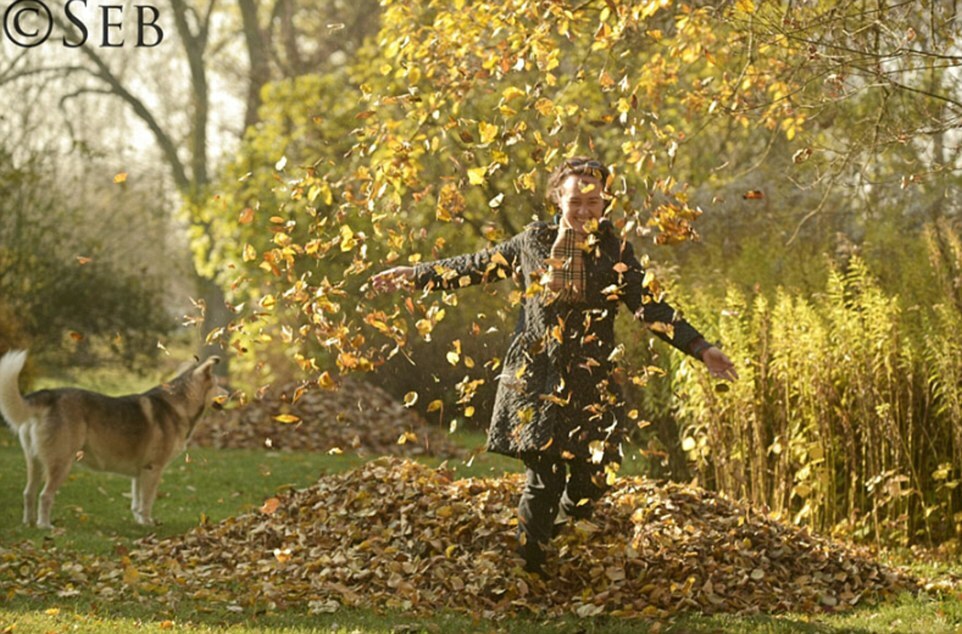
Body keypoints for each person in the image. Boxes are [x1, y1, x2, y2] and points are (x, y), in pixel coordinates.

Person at [370, 157, 738, 576]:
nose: (584, 211)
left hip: (590, 380)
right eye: (574, 201)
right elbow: (475, 266)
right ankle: (530, 570)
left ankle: (556, 529)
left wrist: (700, 347)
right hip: (536, 377)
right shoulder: (533, 241)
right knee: (544, 478)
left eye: (593, 202)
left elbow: (649, 306)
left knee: (592, 477)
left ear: (604, 203)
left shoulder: (617, 252)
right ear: (558, 200)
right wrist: (415, 275)